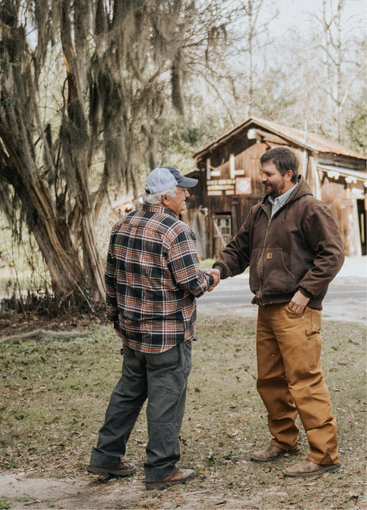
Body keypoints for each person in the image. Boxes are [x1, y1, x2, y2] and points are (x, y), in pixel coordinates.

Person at [210, 146, 344, 478]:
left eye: (269, 174)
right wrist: (217, 270)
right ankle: (284, 440)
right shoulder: (259, 211)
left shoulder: (311, 208)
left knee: (305, 381)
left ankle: (324, 455)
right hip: (266, 308)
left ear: (288, 174)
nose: (263, 179)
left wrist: (306, 291)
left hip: (297, 310)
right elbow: (238, 249)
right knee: (270, 381)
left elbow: (333, 254)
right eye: (263, 173)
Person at [88, 166, 218, 490]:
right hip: (168, 337)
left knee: (127, 394)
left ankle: (105, 456)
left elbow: (111, 280)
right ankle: (161, 469)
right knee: (166, 400)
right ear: (166, 196)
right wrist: (211, 277)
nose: (187, 195)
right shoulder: (175, 230)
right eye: (182, 190)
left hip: (132, 334)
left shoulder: (121, 225)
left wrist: (116, 319)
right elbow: (192, 283)